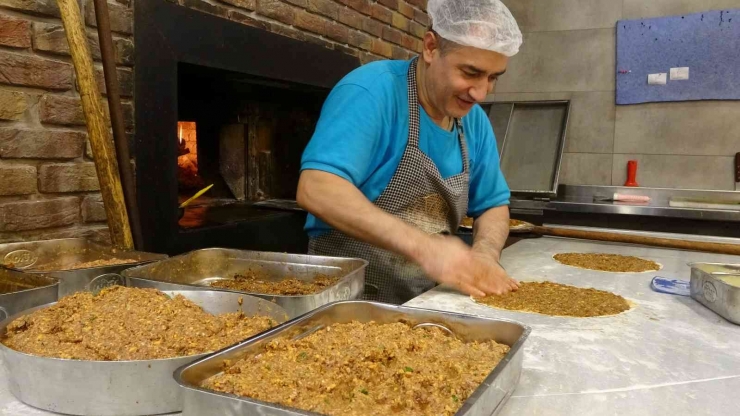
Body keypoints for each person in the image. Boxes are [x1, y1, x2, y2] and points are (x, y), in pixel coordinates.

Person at [296, 0, 523, 304]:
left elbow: (493, 205)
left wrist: (484, 254)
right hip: (348, 302)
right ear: (431, 48)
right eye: (470, 72)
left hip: (428, 301)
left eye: (493, 77)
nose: (481, 93)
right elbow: (317, 188)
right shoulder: (372, 92)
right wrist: (425, 248)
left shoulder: (473, 122)